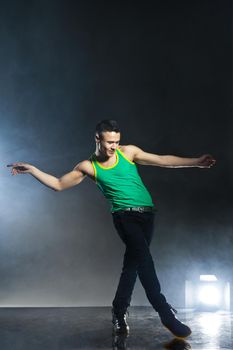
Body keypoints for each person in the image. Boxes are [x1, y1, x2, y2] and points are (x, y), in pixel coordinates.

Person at [7, 119, 215, 338]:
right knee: (144, 262)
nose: (113, 146)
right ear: (98, 139)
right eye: (109, 142)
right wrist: (32, 170)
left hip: (147, 215)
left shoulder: (128, 152)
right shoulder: (88, 166)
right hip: (125, 218)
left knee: (132, 266)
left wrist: (196, 162)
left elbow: (163, 160)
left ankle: (118, 309)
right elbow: (59, 184)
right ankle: (165, 313)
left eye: (116, 141)